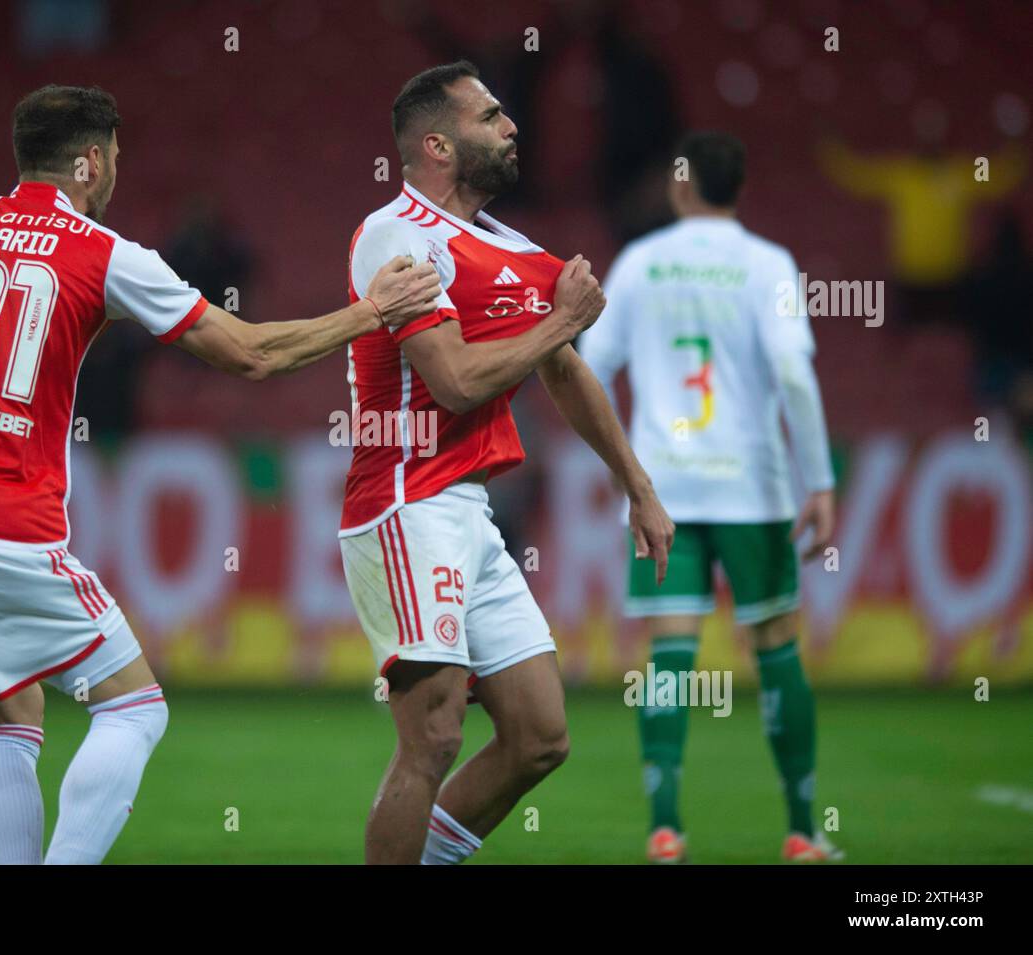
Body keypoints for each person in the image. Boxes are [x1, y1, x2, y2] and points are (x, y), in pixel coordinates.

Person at [0, 84, 440, 865]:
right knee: (134, 705)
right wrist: (370, 312)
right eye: (114, 159)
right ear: (90, 160)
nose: (115, 175)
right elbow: (251, 352)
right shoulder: (106, 253)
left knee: (10, 710)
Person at [339, 61, 674, 865]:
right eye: (490, 116)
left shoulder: (513, 249)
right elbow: (452, 383)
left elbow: (565, 370)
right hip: (404, 505)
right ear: (438, 144)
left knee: (538, 737)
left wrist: (638, 485)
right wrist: (558, 321)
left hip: (468, 513)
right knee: (435, 734)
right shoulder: (396, 235)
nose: (512, 126)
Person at [579, 130, 841, 863]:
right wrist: (818, 478)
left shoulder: (639, 264)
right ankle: (801, 829)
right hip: (752, 485)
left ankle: (664, 828)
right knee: (776, 647)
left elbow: (587, 369)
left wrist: (619, 465)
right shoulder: (767, 265)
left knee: (669, 653)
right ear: (740, 187)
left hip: (663, 486)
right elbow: (794, 373)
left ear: (680, 184)